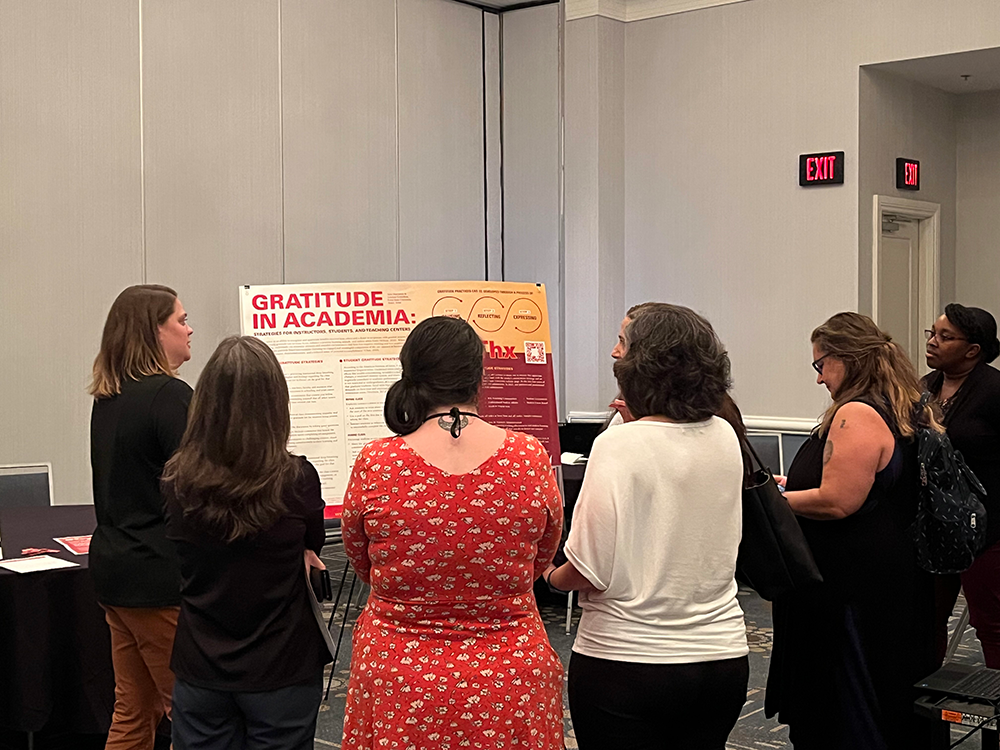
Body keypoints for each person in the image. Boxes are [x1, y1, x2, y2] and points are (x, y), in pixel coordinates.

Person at [340, 316, 564, 750]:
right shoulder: (528, 457)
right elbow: (542, 557)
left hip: (397, 678)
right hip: (510, 677)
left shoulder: (377, 462)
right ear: (480, 377)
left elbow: (360, 560)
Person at [546, 304, 749, 750]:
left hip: (627, 662)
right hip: (722, 658)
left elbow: (588, 569)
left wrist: (546, 575)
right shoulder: (724, 435)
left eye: (624, 342)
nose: (614, 352)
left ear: (646, 361)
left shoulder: (618, 444)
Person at [766, 312, 945, 750]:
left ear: (846, 359)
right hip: (878, 577)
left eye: (820, 365)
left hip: (851, 587)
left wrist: (770, 501)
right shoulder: (898, 404)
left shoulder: (858, 412)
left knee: (849, 703)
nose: (819, 378)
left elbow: (838, 500)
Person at [163, 335, 330, 749]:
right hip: (282, 667)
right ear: (276, 404)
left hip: (201, 666)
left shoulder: (176, 480)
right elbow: (314, 543)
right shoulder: (297, 479)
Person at [89, 284, 193, 749]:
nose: (189, 330)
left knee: (133, 711)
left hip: (115, 571)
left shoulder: (108, 398)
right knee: (192, 712)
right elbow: (196, 489)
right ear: (155, 331)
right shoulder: (170, 396)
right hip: (159, 578)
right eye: (181, 320)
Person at [923, 304, 1000, 667]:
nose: (933, 342)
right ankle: (922, 714)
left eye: (944, 337)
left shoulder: (995, 390)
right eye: (932, 334)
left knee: (992, 625)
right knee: (925, 621)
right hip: (934, 529)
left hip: (989, 531)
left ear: (973, 350)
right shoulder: (923, 388)